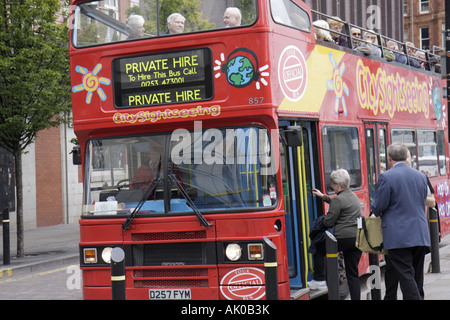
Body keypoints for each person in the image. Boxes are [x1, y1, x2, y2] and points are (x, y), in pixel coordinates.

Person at [371, 143, 431, 300]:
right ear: (407, 156)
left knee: (406, 276)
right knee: (417, 276)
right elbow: (422, 199)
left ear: (389, 159)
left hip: (398, 236)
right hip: (420, 233)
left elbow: (378, 206)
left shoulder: (386, 177)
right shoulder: (421, 176)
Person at [310, 169, 363, 300]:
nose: (332, 186)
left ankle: (320, 280)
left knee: (317, 247)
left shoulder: (338, 201)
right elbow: (339, 203)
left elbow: (329, 221)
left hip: (341, 239)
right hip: (357, 239)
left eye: (333, 184)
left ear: (338, 185)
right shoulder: (353, 196)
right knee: (352, 273)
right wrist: (323, 196)